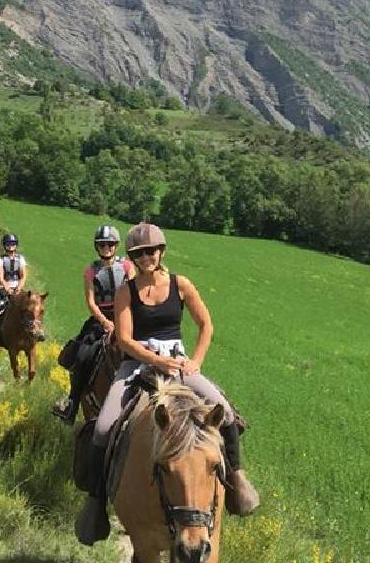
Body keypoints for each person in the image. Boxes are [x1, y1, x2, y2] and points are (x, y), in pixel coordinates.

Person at [75, 221, 259, 545]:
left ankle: (236, 479)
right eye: (139, 253)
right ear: (132, 256)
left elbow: (206, 325)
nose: (146, 257)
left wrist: (196, 362)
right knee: (103, 427)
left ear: (161, 252)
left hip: (180, 364)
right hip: (136, 365)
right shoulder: (125, 292)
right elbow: (125, 339)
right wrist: (156, 361)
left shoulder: (180, 285)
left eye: (151, 251)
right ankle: (96, 501)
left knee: (225, 412)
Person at [52, 225, 135, 424]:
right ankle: (72, 402)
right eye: (101, 245)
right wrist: (105, 322)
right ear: (97, 247)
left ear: (115, 245)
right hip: (101, 319)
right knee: (82, 354)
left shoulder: (127, 266)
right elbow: (91, 302)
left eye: (109, 244)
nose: (106, 248)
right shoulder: (90, 271)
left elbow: (134, 293)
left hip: (125, 315)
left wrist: (123, 319)